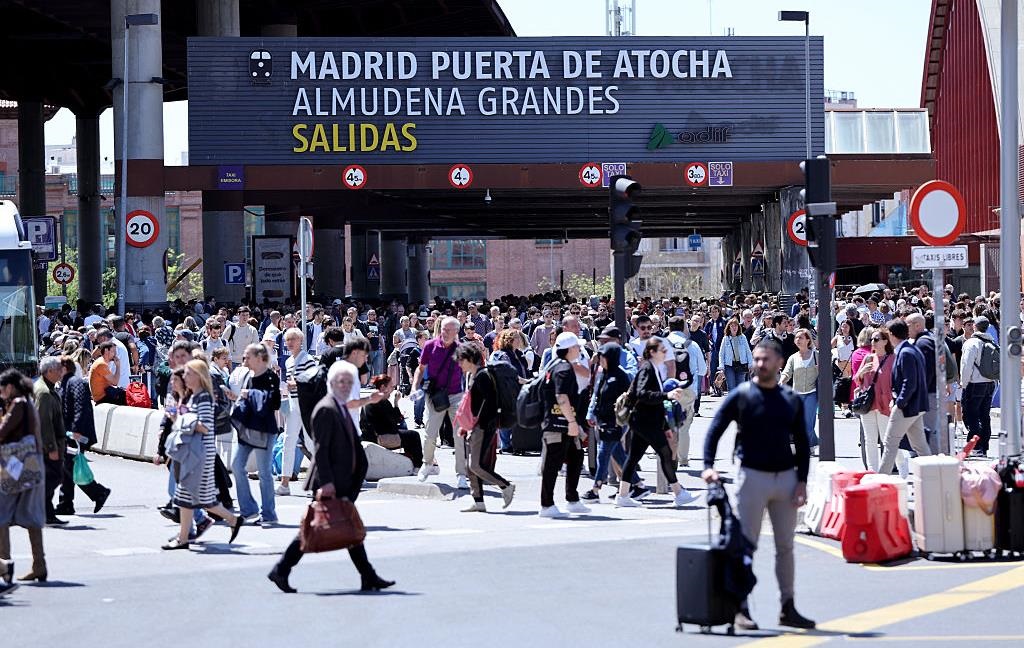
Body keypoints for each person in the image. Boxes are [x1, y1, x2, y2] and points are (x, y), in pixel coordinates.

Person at [703, 338, 815, 631]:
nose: (759, 364)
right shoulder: (741, 394)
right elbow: (715, 429)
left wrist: (802, 481)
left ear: (780, 363)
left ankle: (787, 607)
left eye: (765, 359)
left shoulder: (790, 399)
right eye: (757, 359)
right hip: (751, 477)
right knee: (745, 545)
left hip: (785, 480)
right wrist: (708, 467)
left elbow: (803, 444)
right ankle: (740, 608)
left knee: (785, 547)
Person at [267, 361, 395, 594]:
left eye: (349, 382)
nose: (346, 386)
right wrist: (326, 483)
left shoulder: (340, 404)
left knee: (346, 525)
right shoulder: (327, 408)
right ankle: (282, 568)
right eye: (341, 382)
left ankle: (368, 576)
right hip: (332, 480)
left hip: (343, 479)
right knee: (316, 527)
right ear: (331, 384)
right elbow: (322, 449)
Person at [163, 360, 244, 550]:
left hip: (200, 455)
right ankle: (228, 521)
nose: (185, 377)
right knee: (190, 497)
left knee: (193, 497)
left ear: (199, 377)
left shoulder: (204, 399)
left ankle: (186, 537)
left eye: (189, 374)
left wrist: (182, 419)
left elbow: (205, 427)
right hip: (193, 453)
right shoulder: (194, 398)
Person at [615, 339, 700, 508]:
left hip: (644, 420)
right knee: (665, 453)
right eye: (662, 350)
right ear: (652, 352)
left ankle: (623, 495)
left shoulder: (653, 369)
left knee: (634, 457)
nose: (665, 353)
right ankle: (679, 493)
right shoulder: (648, 369)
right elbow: (642, 393)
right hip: (645, 421)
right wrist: (666, 396)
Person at [453, 343, 515, 513]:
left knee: (476, 465)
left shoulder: (483, 376)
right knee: (469, 466)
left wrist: (474, 425)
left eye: (461, 360)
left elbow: (488, 404)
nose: (459, 364)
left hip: (483, 426)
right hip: (477, 426)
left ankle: (506, 486)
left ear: (469, 359)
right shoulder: (476, 376)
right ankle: (478, 501)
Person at [0, 369, 48, 582]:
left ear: (10, 386)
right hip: (31, 462)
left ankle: (4, 565)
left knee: (1, 513)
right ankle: (39, 565)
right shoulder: (28, 402)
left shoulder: (18, 403)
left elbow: (3, 430)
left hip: (15, 465)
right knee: (30, 513)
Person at [582, 342, 646, 502]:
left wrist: (623, 419)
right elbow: (597, 395)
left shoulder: (620, 375)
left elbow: (629, 399)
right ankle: (638, 485)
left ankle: (595, 489)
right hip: (603, 421)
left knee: (603, 455)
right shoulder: (603, 374)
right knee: (619, 455)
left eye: (602, 355)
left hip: (615, 422)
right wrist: (593, 414)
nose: (600, 359)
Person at [538, 332, 591, 518]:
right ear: (569, 349)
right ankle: (546, 504)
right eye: (577, 346)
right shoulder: (563, 369)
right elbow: (561, 397)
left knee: (576, 457)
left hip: (564, 422)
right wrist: (571, 422)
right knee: (553, 463)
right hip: (558, 423)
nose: (579, 349)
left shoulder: (557, 366)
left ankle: (572, 499)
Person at [413, 317, 468, 486]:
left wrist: (469, 393)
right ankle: (427, 463)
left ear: (456, 332)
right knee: (430, 434)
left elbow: (468, 372)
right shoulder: (430, 346)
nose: (445, 332)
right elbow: (420, 369)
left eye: (449, 330)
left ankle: (461, 474)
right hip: (435, 395)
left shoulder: (461, 349)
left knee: (459, 435)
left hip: (456, 395)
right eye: (443, 329)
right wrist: (415, 387)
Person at [231, 343, 282, 525]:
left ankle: (268, 513)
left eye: (247, 356)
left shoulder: (270, 377)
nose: (244, 359)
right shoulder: (248, 375)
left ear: (259, 358)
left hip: (264, 430)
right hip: (247, 428)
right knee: (236, 466)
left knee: (264, 473)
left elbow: (275, 403)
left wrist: (250, 394)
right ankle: (248, 509)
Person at [55, 356, 111, 516]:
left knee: (69, 466)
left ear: (65, 368)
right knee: (68, 467)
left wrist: (75, 431)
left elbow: (81, 407)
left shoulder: (75, 383)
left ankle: (98, 492)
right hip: (70, 433)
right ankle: (66, 503)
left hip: (77, 434)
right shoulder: (66, 384)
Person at [878, 320, 933, 474]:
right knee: (920, 446)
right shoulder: (910, 350)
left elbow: (909, 383)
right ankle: (933, 477)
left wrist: (899, 403)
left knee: (890, 443)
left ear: (891, 335)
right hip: (915, 406)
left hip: (906, 406)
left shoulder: (906, 353)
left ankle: (881, 480)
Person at [853, 328, 899, 474]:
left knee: (888, 439)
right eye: (872, 339)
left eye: (876, 339)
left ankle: (898, 467)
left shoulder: (893, 358)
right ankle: (873, 471)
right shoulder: (868, 358)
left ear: (885, 341)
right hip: (869, 404)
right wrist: (861, 372)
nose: (873, 342)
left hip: (885, 404)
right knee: (870, 439)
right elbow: (857, 381)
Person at [278, 329, 317, 496]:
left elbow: (315, 380)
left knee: (309, 442)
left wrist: (297, 384)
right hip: (294, 403)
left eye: (293, 339)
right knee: (289, 440)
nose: (290, 342)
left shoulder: (308, 359)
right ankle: (284, 482)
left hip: (306, 404)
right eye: (287, 340)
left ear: (300, 341)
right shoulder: (288, 362)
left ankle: (321, 479)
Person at [360, 374, 424, 470]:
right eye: (391, 386)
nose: (393, 389)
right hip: (378, 437)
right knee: (413, 435)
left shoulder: (376, 399)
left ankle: (409, 461)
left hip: (374, 434)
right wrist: (396, 404)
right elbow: (393, 423)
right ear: (383, 387)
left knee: (406, 432)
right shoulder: (379, 401)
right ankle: (417, 465)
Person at [33, 357, 69, 526]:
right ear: (49, 372)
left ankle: (46, 513)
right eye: (58, 370)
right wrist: (51, 448)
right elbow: (44, 422)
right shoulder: (44, 393)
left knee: (49, 477)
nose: (61, 373)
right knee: (54, 477)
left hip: (52, 443)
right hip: (48, 445)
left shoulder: (46, 388)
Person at [960, 315, 997, 457]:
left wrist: (964, 383)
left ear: (975, 326)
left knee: (971, 415)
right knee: (984, 415)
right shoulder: (992, 342)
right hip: (989, 383)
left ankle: (975, 446)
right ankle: (984, 447)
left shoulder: (971, 343)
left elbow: (966, 365)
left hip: (974, 384)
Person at [780, 329, 819, 453]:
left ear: (808, 340)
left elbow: (825, 372)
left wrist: (819, 368)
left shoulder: (816, 355)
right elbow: (787, 372)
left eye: (801, 337)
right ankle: (813, 443)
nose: (798, 340)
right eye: (796, 338)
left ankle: (806, 447)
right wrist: (781, 381)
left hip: (812, 393)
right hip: (796, 394)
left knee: (808, 422)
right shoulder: (793, 357)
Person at [718, 316, 752, 392]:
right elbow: (721, 354)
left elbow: (748, 351)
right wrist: (721, 368)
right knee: (731, 387)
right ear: (729, 327)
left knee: (741, 388)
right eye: (732, 326)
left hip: (741, 365)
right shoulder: (725, 338)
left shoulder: (743, 337)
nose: (734, 328)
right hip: (729, 365)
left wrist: (750, 365)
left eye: (736, 326)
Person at [832, 320, 856, 417]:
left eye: (846, 326)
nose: (844, 328)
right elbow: (828, 347)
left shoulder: (854, 338)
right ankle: (844, 407)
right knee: (844, 386)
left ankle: (851, 406)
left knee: (851, 386)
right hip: (841, 365)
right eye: (843, 326)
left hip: (851, 366)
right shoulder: (837, 338)